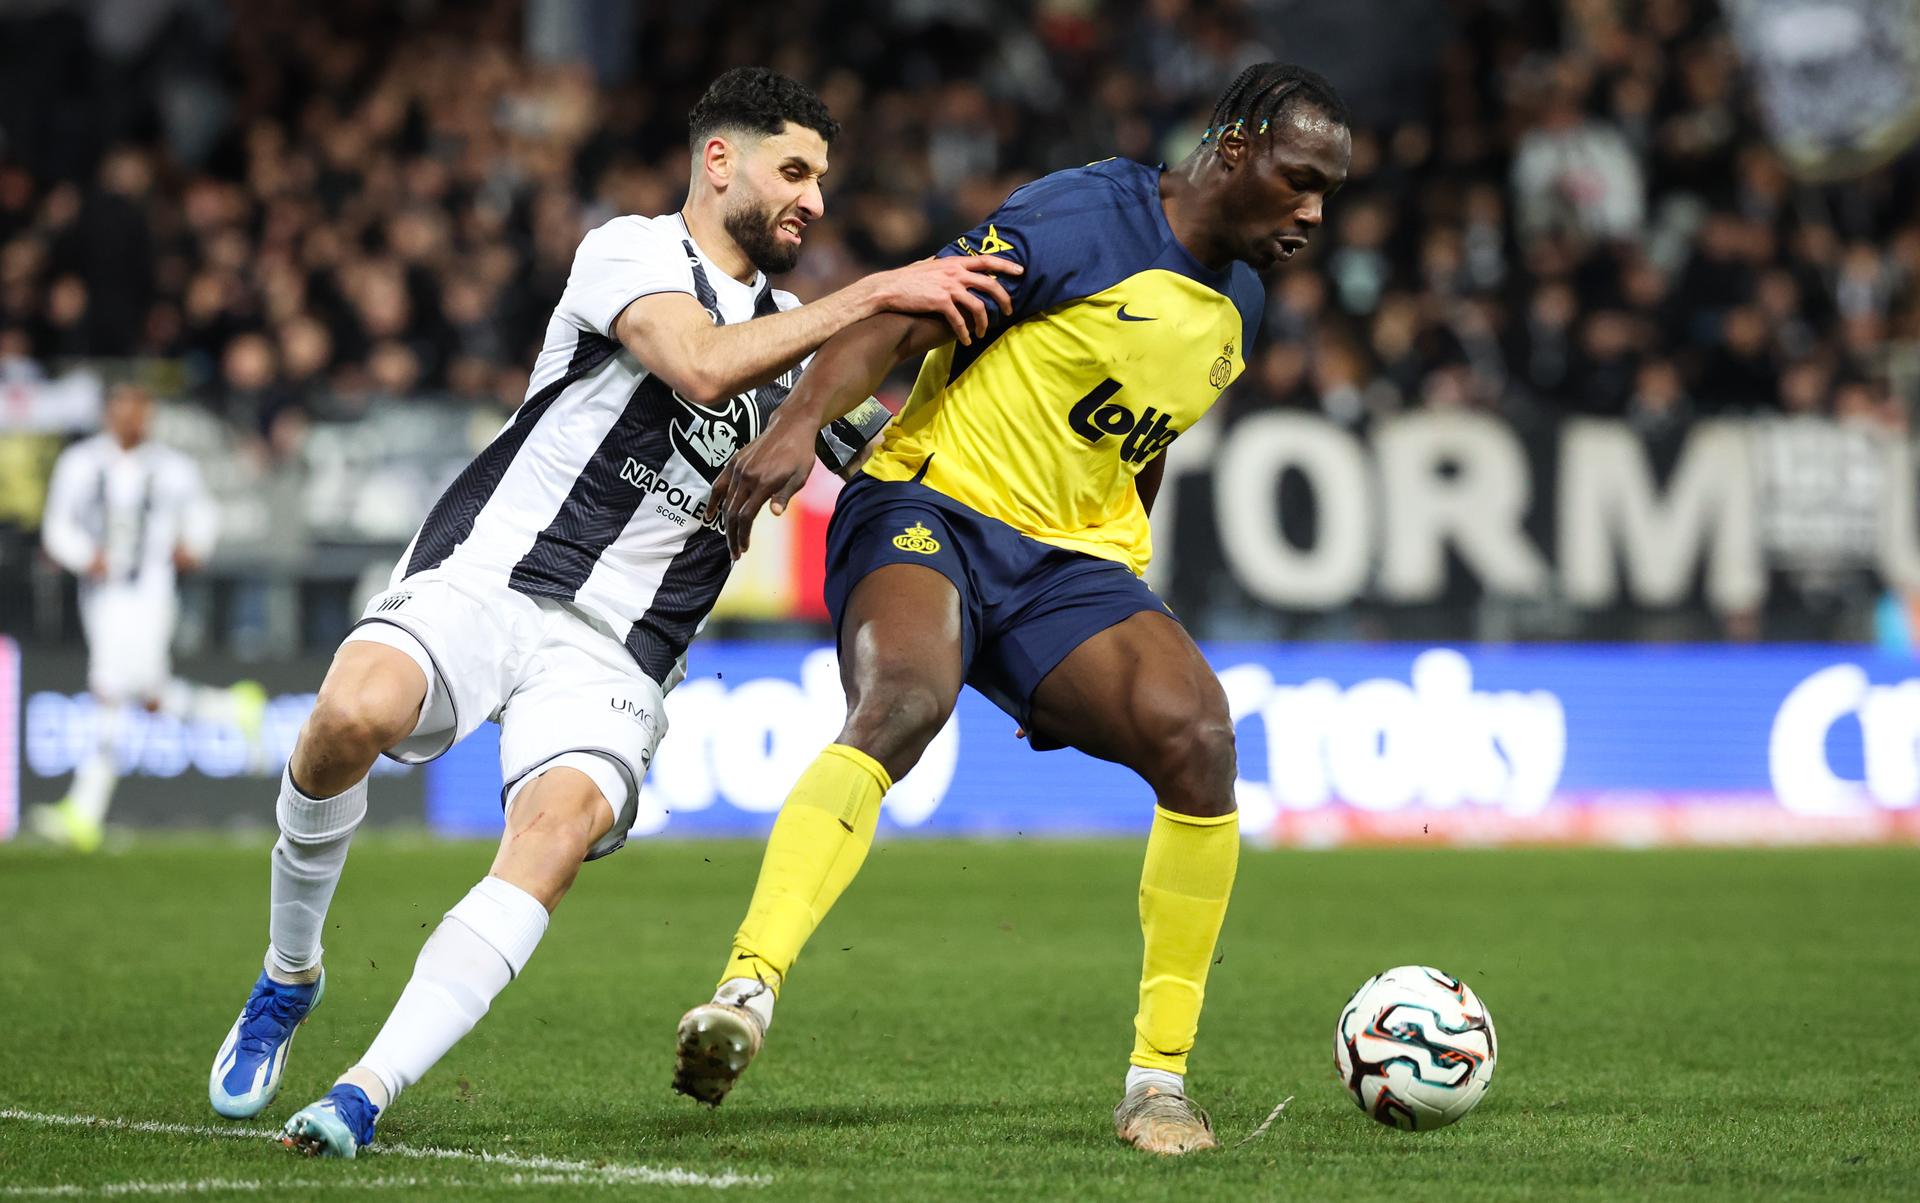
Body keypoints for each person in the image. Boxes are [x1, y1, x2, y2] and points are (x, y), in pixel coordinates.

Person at [204, 66, 1018, 1158]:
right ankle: (288, 975)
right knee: (351, 716)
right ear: (718, 162)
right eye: (795, 170)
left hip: (624, 657)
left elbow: (885, 456)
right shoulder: (631, 251)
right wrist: (879, 291)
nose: (815, 200)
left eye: (824, 179)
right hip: (494, 574)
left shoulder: (800, 347)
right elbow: (699, 364)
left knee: (554, 832)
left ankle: (362, 1091)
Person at [674, 63, 1349, 1156]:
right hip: (932, 503)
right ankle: (744, 995)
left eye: (1330, 192)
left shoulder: (1245, 307)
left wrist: (1125, 593)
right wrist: (799, 426)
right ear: (1235, 150)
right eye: (1301, 180)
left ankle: (1158, 1080)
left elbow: (1145, 435)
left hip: (1073, 566)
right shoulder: (1085, 215)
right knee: (904, 701)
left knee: (1201, 738)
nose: (1316, 212)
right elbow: (906, 316)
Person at [32, 382, 256, 851]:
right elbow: (57, 525)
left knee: (109, 691)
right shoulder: (82, 463)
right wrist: (81, 556)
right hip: (99, 592)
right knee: (149, 696)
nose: (131, 417)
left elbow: (202, 516)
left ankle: (84, 811)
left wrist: (194, 547)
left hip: (150, 592)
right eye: (123, 408)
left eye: (140, 409)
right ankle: (231, 709)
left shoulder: (173, 468)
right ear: (108, 413)